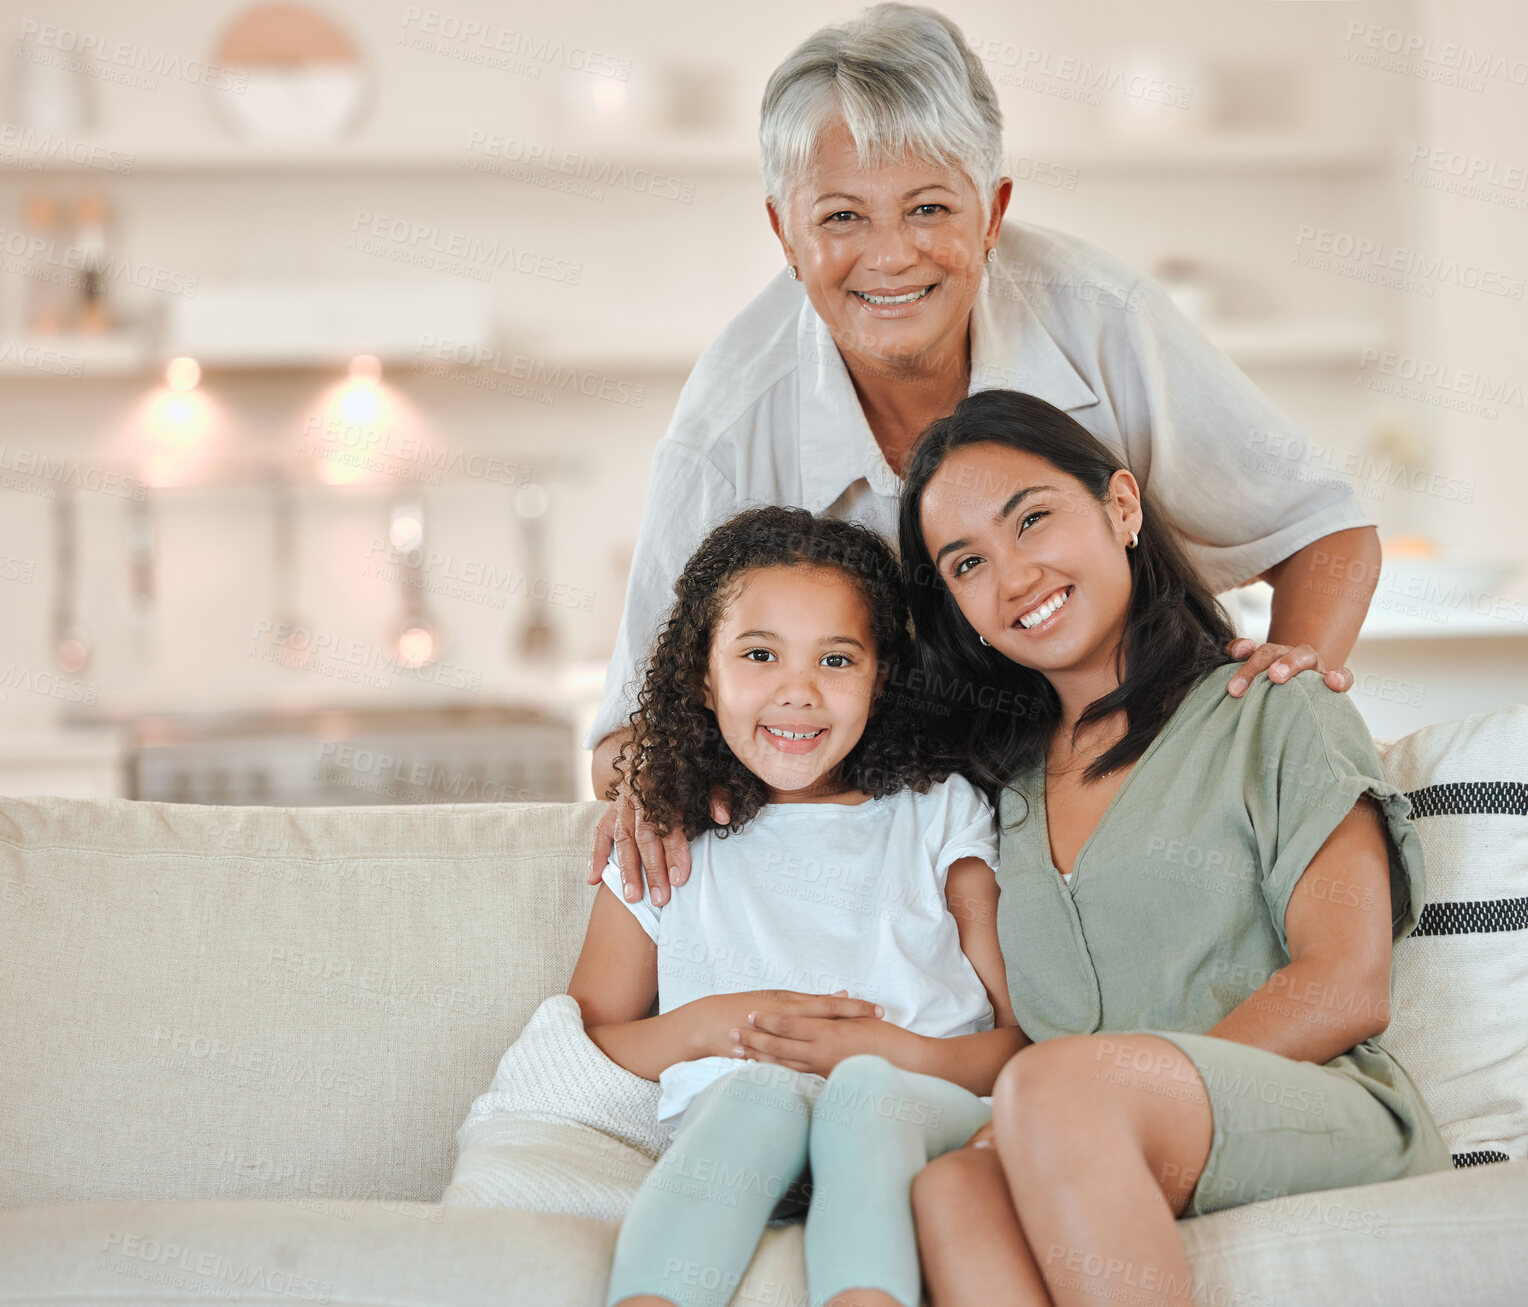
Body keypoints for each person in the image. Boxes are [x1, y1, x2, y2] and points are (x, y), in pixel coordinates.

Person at [585, 2, 1383, 909]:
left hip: (1140, 794)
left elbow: (1328, 533)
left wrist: (1268, 736)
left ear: (994, 208)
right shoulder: (725, 427)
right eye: (842, 217)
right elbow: (625, 738)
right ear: (784, 233)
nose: (890, 258)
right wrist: (667, 789)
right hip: (905, 859)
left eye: (929, 208)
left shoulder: (1101, 317)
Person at [736, 387, 1447, 1307]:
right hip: (1078, 1126)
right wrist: (666, 788)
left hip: (1312, 1104)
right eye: (967, 562)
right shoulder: (996, 789)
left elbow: (1347, 983)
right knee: (953, 1185)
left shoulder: (1276, 707)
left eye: (1033, 519)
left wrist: (1117, 1092)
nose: (1015, 576)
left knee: (1055, 1087)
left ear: (1120, 506)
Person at [567, 505, 1025, 1307]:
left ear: (881, 676)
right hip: (743, 1120)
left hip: (914, 1103)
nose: (798, 692)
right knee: (754, 1094)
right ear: (703, 676)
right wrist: (714, 1023)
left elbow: (1018, 1036)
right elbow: (589, 1041)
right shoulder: (666, 831)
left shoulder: (936, 811)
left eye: (837, 659)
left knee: (865, 1095)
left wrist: (888, 1052)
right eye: (758, 654)